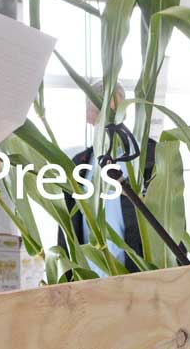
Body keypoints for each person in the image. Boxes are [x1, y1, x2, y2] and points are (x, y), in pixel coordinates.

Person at [57, 81, 156, 275]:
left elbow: (172, 221)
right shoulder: (78, 166)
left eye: (115, 112)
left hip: (140, 277)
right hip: (92, 281)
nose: (112, 120)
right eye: (103, 112)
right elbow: (67, 231)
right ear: (90, 116)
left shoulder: (150, 157)